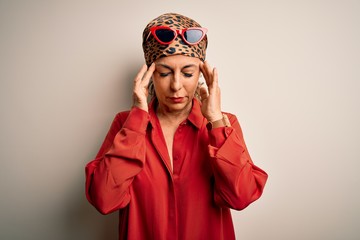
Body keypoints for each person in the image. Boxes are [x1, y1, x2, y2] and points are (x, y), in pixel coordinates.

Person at [85, 12, 268, 240]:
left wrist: (216, 121)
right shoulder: (125, 124)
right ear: (150, 75)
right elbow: (104, 199)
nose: (176, 86)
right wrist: (137, 120)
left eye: (188, 73)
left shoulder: (224, 124)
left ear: (202, 74)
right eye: (164, 73)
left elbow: (241, 197)